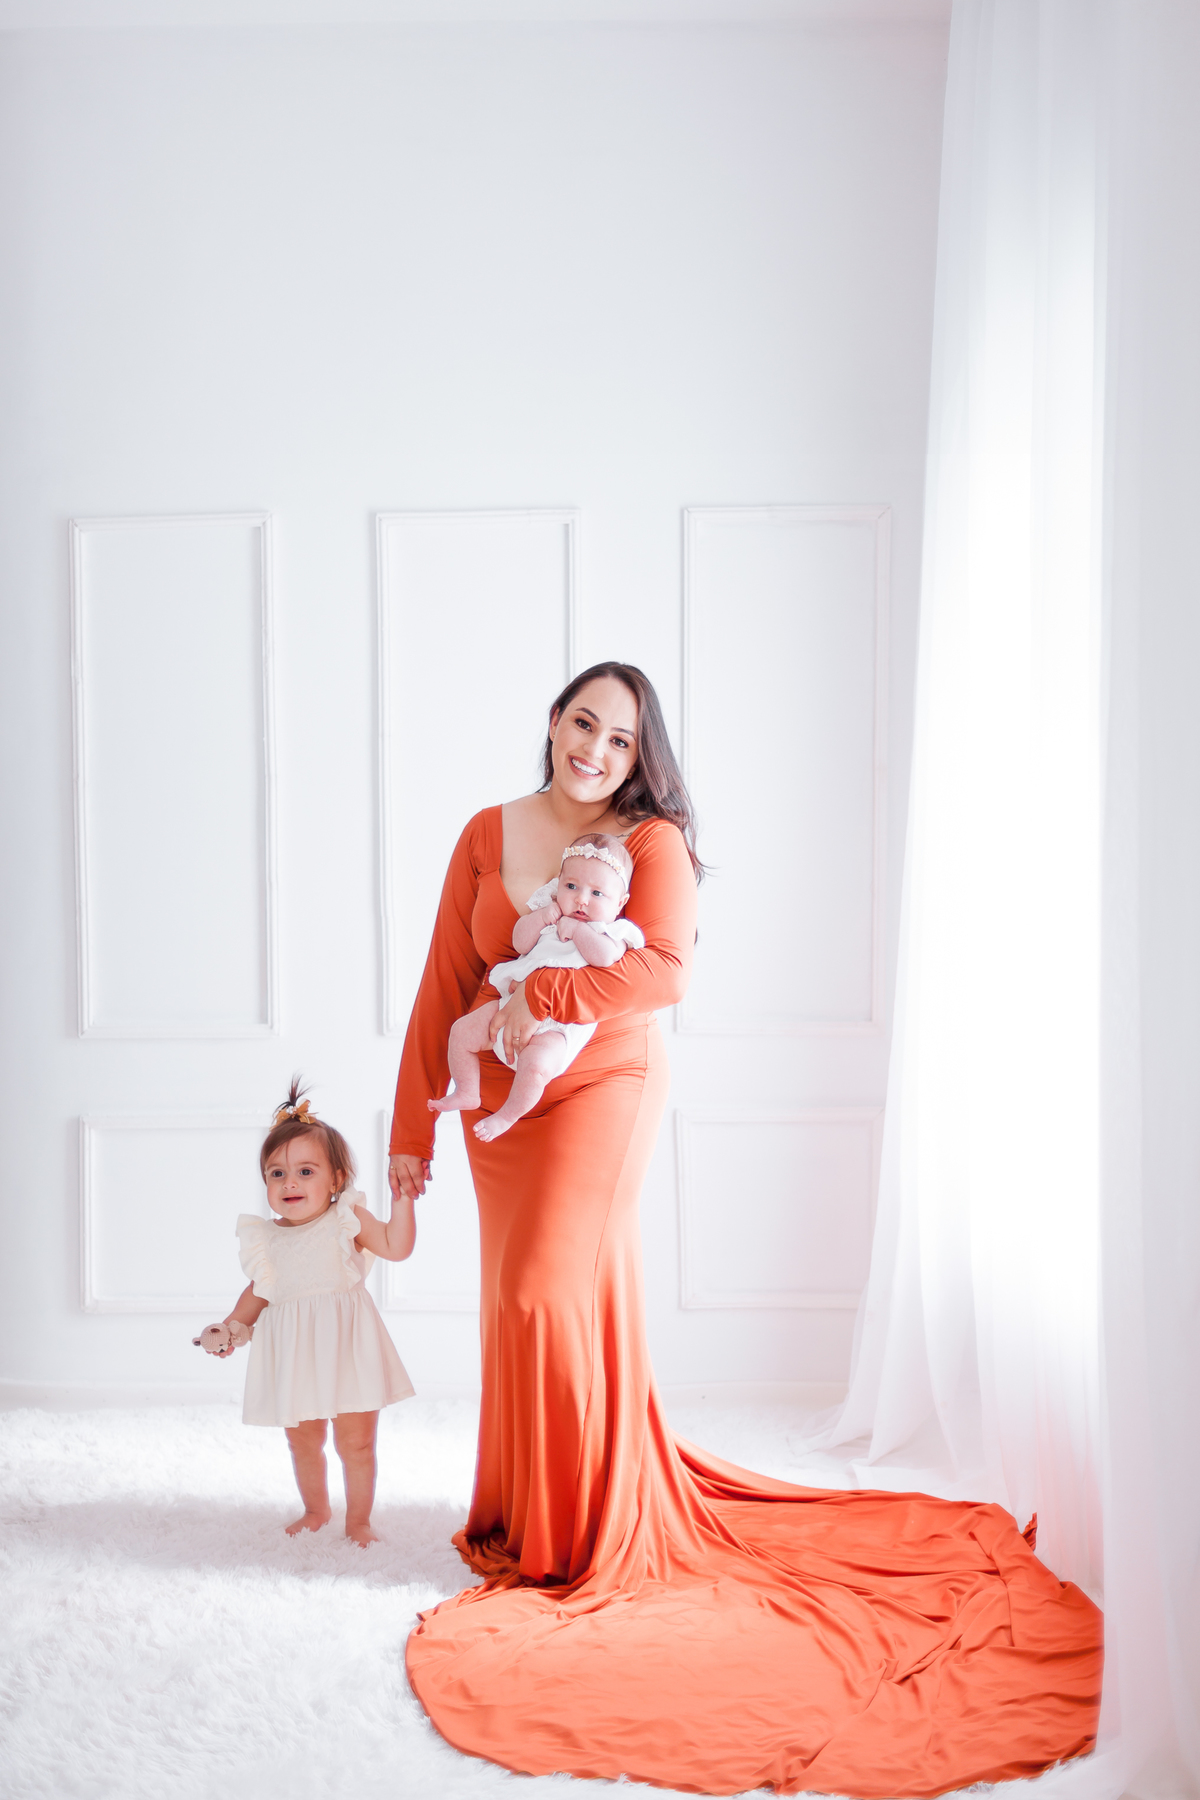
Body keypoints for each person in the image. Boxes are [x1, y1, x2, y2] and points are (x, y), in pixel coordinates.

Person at [388, 662, 1102, 1796]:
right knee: (518, 1301)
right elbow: (443, 980)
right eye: (584, 723)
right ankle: (538, 1518)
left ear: (641, 756)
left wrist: (535, 999)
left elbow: (662, 974)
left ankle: (581, 1540)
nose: (595, 750)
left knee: (545, 1289)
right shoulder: (486, 831)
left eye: (621, 740)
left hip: (599, 1086)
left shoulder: (653, 841)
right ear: (554, 721)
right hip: (496, 1109)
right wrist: (409, 1137)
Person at [195, 1081, 416, 1547]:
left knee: (356, 1443)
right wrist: (230, 1329)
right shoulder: (267, 1240)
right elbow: (256, 1296)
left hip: (348, 1351)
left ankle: (359, 1520)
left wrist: (404, 1199)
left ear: (336, 1180)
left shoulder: (346, 1220)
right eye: (276, 1174)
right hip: (295, 1358)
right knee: (302, 1441)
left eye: (305, 1171)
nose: (289, 1183)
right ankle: (316, 1508)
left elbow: (396, 1247)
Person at [428, 831, 644, 1142]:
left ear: (620, 902)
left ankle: (507, 1115)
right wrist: (543, 917)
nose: (581, 899)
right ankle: (467, 1090)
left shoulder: (612, 932)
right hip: (510, 1004)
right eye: (571, 886)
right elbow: (520, 942)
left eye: (597, 893)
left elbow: (605, 958)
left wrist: (577, 931)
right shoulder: (550, 914)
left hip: (559, 1025)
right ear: (558, 885)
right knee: (461, 1032)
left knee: (537, 1066)